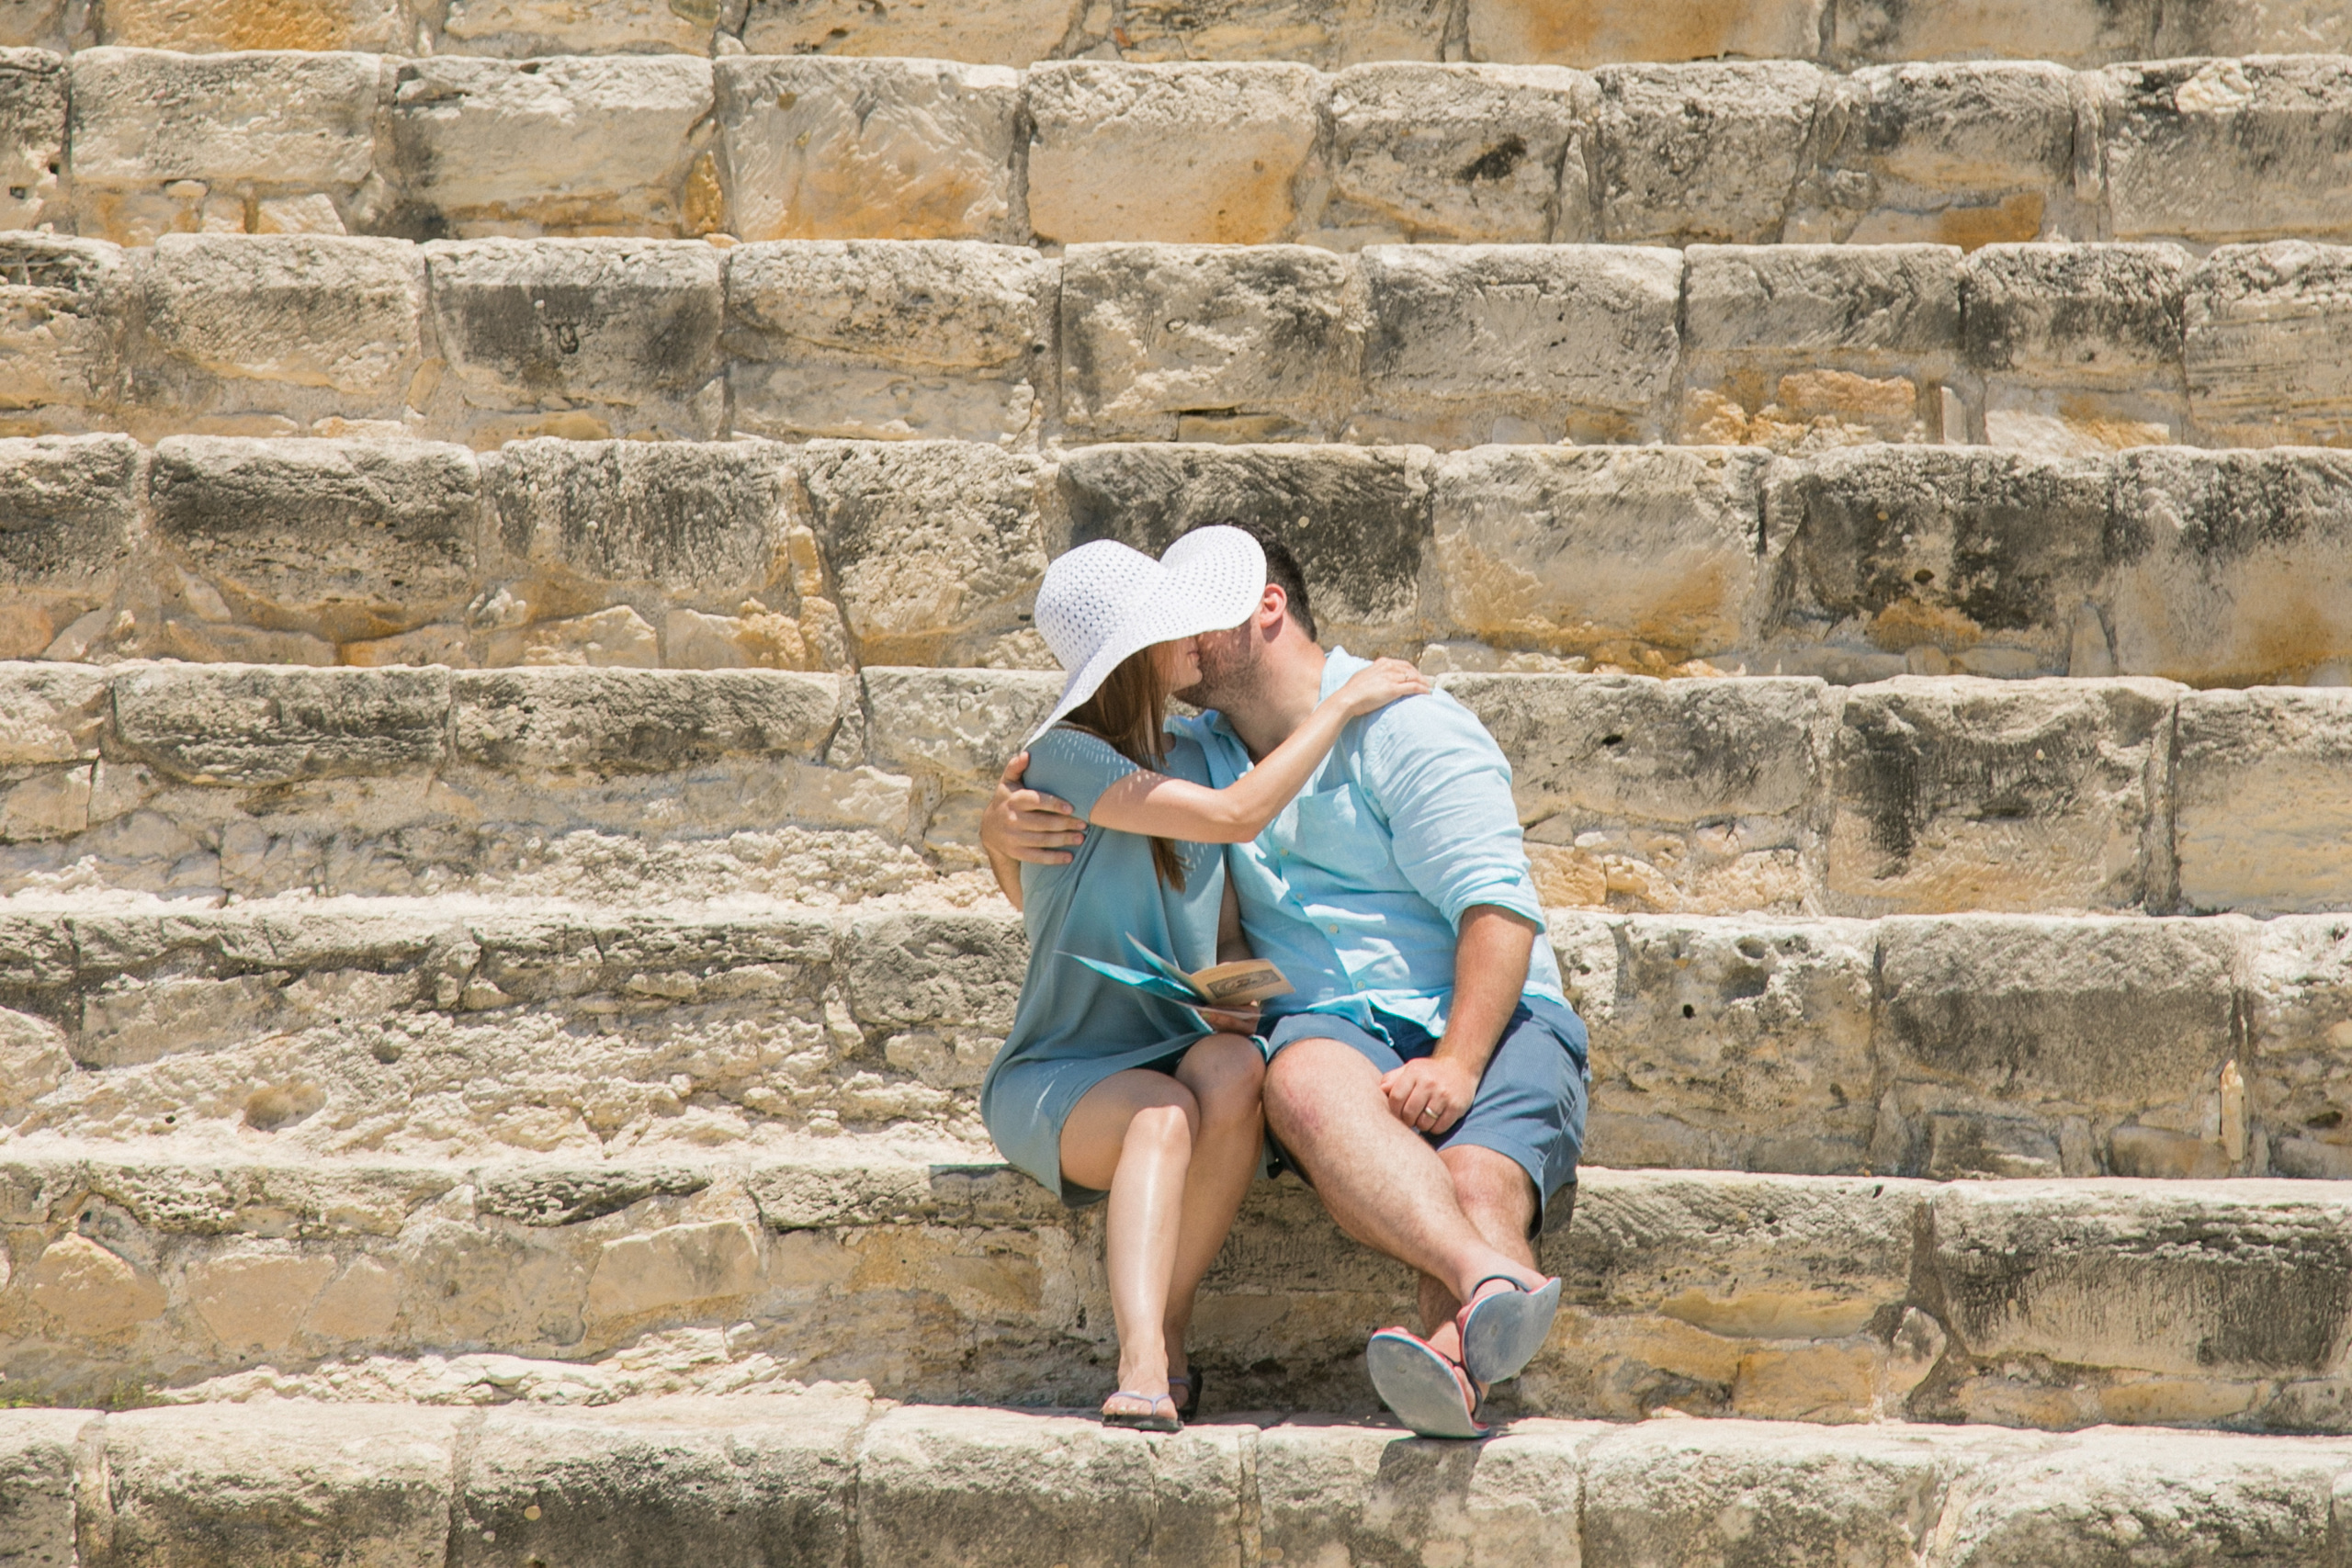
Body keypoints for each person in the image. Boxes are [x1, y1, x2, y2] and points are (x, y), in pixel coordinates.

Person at [984, 523, 1589, 1439]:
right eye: (1168, 619)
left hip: (1488, 1016)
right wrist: (995, 830)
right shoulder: (1194, 753)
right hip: (1325, 1034)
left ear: (1267, 608)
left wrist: (1460, 1062)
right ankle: (1487, 1287)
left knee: (1470, 1175)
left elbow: (1496, 908)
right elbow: (1142, 828)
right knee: (1294, 1076)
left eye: (1199, 613)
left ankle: (1452, 1361)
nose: (1184, 635)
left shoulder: (1407, 722)